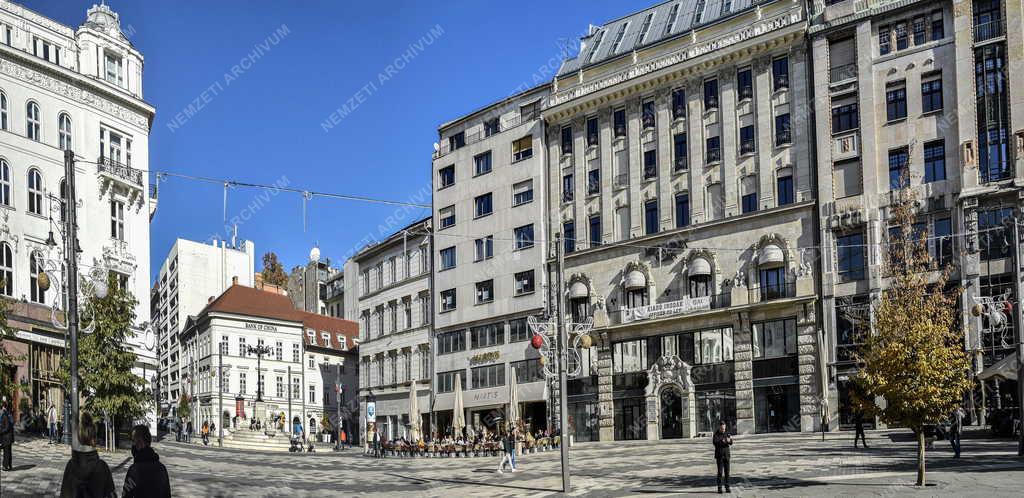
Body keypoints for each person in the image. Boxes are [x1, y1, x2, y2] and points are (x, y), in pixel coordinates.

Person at [59, 413, 115, 498]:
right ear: (94, 439)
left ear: (80, 438)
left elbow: (64, 495)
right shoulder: (102, 467)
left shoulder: (71, 466)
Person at [122, 425, 171, 498]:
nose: (133, 445)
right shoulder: (162, 469)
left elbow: (126, 495)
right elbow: (167, 495)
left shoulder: (135, 470)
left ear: (140, 442)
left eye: (133, 441)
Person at [713, 421, 733, 494]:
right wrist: (723, 441)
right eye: (722, 428)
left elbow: (731, 442)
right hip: (719, 456)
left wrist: (730, 440)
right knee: (720, 472)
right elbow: (715, 442)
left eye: (724, 428)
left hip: (727, 455)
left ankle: (727, 487)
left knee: (727, 472)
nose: (723, 430)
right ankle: (719, 488)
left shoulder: (727, 433)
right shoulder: (716, 434)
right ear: (719, 427)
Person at [0, 401, 14, 471]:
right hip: (9, 437)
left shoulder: (4, 414)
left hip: (6, 437)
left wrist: (1, 431)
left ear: (3, 407)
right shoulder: (8, 413)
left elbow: (7, 427)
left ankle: (5, 466)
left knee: (6, 452)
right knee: (9, 452)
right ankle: (9, 465)